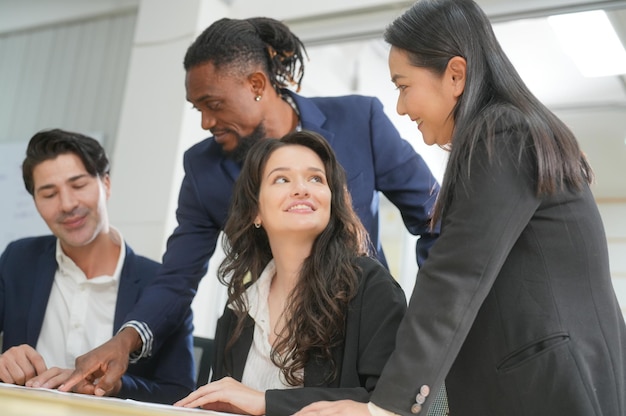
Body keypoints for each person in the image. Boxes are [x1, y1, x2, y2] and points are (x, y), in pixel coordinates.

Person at [61, 16, 440, 396]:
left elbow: (436, 217)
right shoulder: (204, 170)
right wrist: (126, 340)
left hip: (356, 337)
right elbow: (177, 277)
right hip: (259, 334)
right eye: (199, 109)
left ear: (256, 84)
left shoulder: (360, 120)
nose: (208, 121)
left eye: (214, 104)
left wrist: (429, 314)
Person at [292, 1, 626, 416]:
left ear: (455, 75)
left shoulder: (502, 133)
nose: (400, 107)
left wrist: (385, 407)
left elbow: (456, 273)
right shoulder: (509, 132)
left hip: (549, 387)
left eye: (403, 85)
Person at [173, 129, 406, 416]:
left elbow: (389, 402)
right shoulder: (238, 311)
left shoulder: (371, 287)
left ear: (331, 203)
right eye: (282, 179)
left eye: (316, 178)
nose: (302, 189)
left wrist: (265, 403)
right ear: (255, 212)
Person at [0, 129, 195, 404]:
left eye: (78, 185)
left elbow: (180, 394)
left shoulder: (162, 285)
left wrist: (115, 387)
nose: (67, 204)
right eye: (49, 194)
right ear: (35, 202)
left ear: (106, 184)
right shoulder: (18, 259)